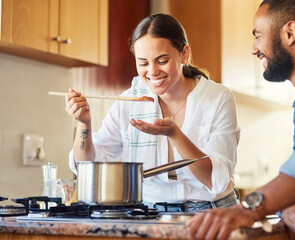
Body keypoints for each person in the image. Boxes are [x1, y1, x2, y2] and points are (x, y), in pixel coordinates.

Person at [188, 0, 295, 239]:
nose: (253, 49)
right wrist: (292, 207)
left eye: (257, 36)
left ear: (290, 32)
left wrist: (248, 209)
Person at [65, 13, 240, 211]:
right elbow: (88, 166)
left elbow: (215, 179)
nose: (152, 71)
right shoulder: (131, 100)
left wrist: (175, 134)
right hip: (149, 212)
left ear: (185, 54)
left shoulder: (218, 98)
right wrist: (84, 124)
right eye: (143, 63)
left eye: (162, 60)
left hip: (212, 209)